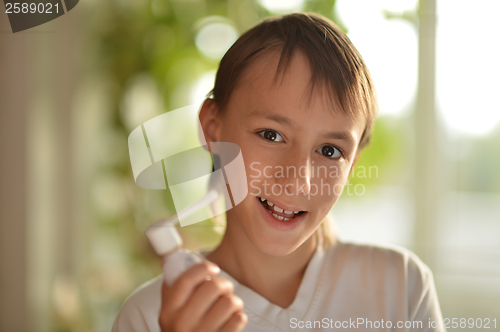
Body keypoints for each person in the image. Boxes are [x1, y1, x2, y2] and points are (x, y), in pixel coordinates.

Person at [113, 13, 446, 332]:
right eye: (271, 135)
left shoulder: (399, 288)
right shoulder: (149, 316)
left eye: (330, 151)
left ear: (353, 163)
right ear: (213, 129)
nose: (298, 178)